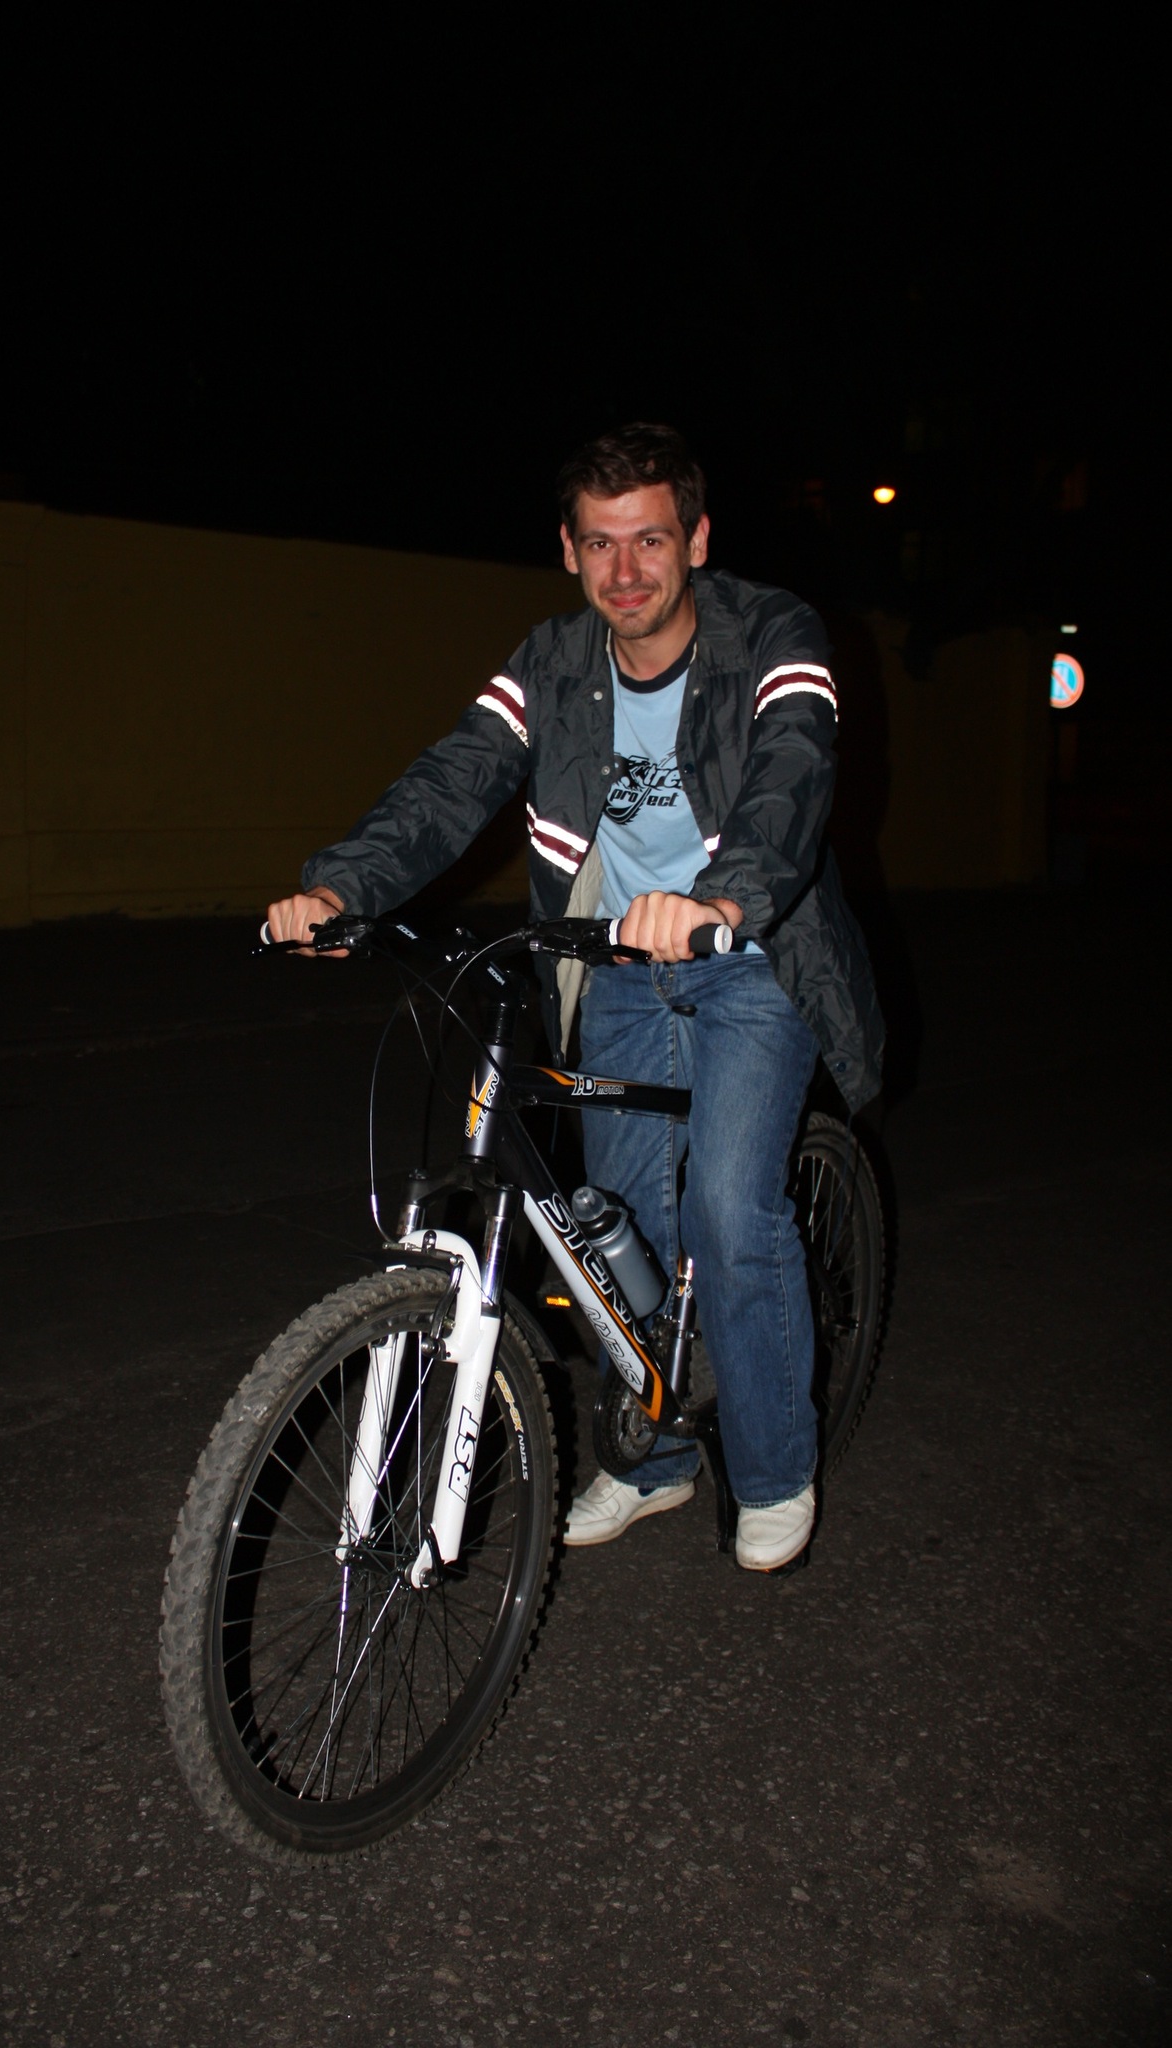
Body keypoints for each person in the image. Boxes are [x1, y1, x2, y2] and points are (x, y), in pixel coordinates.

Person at [267, 423, 883, 1572]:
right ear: (568, 550)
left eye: (650, 538)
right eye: (601, 543)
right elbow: (456, 776)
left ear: (695, 539)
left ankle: (772, 1468)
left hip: (750, 955)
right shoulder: (551, 661)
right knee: (614, 1223)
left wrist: (724, 897)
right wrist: (344, 885)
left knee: (727, 1211)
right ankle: (654, 1457)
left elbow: (793, 766)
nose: (626, 569)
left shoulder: (771, 633)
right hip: (616, 964)